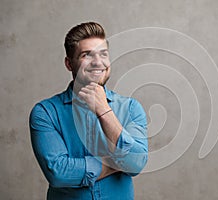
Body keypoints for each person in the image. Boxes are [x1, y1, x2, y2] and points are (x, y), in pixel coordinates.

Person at [29, 22, 148, 200]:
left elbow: (136, 163)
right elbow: (58, 173)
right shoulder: (45, 112)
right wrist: (116, 162)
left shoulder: (131, 108)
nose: (98, 62)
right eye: (86, 55)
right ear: (69, 64)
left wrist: (103, 110)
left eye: (103, 54)